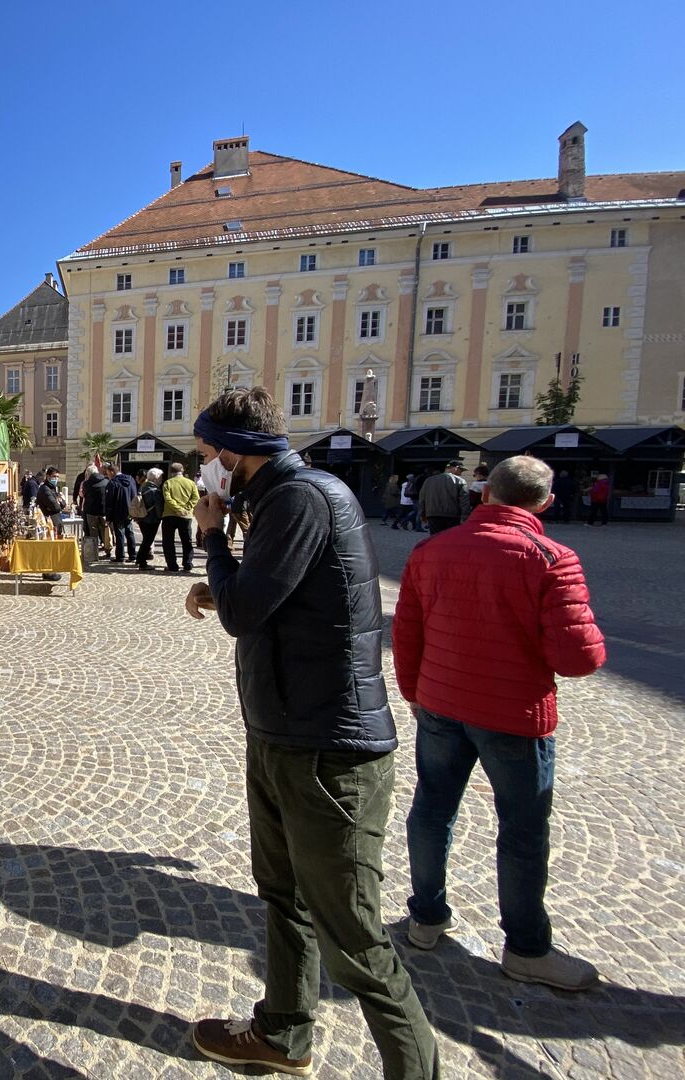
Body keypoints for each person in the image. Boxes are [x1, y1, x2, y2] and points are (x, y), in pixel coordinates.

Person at [185, 388, 439, 1080]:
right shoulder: (273, 503)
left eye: (208, 455)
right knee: (283, 895)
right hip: (282, 734)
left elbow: (247, 612)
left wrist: (211, 538)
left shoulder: (301, 498)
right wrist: (223, 579)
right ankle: (283, 1032)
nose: (203, 468)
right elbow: (275, 600)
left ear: (235, 454)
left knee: (354, 938)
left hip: (330, 751)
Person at [393, 456, 606, 991]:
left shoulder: (430, 550)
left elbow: (406, 631)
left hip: (441, 701)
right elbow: (578, 657)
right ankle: (527, 948)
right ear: (545, 502)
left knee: (433, 808)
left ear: (484, 494)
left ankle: (425, 916)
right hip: (512, 713)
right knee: (522, 829)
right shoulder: (552, 558)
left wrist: (415, 691)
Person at [160, 462, 199, 574]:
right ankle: (187, 564)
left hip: (169, 515)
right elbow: (196, 498)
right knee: (187, 540)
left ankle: (172, 565)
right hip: (186, 516)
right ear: (182, 471)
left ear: (171, 472)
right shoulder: (191, 483)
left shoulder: (168, 483)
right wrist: (186, 508)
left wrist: (177, 509)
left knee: (168, 541)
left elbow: (168, 499)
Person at [417, 458, 472, 533]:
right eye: (460, 470)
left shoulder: (429, 480)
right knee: (449, 539)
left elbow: (422, 499)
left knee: (435, 538)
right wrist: (465, 518)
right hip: (453, 516)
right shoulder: (460, 481)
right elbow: (465, 502)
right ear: (455, 468)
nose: (461, 473)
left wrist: (422, 513)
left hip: (433, 515)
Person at [103, 462, 138, 564]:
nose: (107, 475)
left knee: (120, 534)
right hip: (129, 511)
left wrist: (108, 517)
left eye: (108, 473)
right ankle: (132, 555)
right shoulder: (130, 480)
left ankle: (120, 556)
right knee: (130, 533)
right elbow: (134, 494)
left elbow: (109, 501)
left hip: (117, 512)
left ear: (112, 471)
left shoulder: (113, 483)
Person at [134, 468, 165, 569]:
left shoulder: (143, 487)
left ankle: (139, 558)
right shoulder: (155, 491)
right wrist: (161, 517)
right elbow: (158, 507)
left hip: (142, 517)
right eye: (160, 477)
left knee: (146, 540)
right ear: (156, 478)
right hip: (151, 519)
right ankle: (142, 562)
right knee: (148, 540)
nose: (161, 479)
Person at [81, 464, 112, 560]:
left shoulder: (86, 484)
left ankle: (94, 553)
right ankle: (108, 551)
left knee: (93, 533)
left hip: (91, 511)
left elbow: (83, 495)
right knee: (105, 532)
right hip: (103, 511)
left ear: (88, 473)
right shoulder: (106, 481)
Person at [35, 466, 66, 538]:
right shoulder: (45, 489)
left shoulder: (53, 488)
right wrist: (58, 502)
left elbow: (63, 503)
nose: (56, 479)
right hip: (49, 523)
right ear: (48, 476)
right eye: (54, 476)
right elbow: (56, 507)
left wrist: (60, 502)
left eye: (57, 477)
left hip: (57, 522)